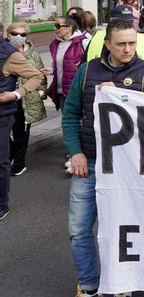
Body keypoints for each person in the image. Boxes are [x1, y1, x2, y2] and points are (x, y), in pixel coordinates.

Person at [63, 19, 144, 294]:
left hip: (128, 170)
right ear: (107, 44)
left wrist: (120, 97)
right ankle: (89, 285)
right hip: (91, 164)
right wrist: (76, 153)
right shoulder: (86, 72)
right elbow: (71, 114)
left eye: (132, 43)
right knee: (79, 230)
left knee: (123, 232)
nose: (128, 49)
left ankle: (121, 283)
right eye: (121, 44)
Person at [0, 22, 43, 219]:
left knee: (1, 160)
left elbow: (36, 76)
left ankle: (2, 205)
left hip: (2, 115)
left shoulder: (10, 55)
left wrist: (17, 94)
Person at [7, 22, 48, 177]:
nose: (19, 37)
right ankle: (11, 154)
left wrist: (41, 91)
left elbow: (41, 76)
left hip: (27, 99)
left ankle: (18, 163)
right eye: (15, 34)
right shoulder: (5, 52)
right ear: (8, 34)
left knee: (21, 132)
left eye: (23, 34)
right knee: (4, 131)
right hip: (7, 97)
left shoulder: (33, 54)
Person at [49, 15, 88, 111]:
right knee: (66, 119)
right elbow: (57, 62)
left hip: (77, 90)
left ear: (69, 28)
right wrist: (51, 69)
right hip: (61, 91)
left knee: (78, 120)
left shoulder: (83, 42)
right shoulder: (55, 44)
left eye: (58, 26)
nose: (54, 28)